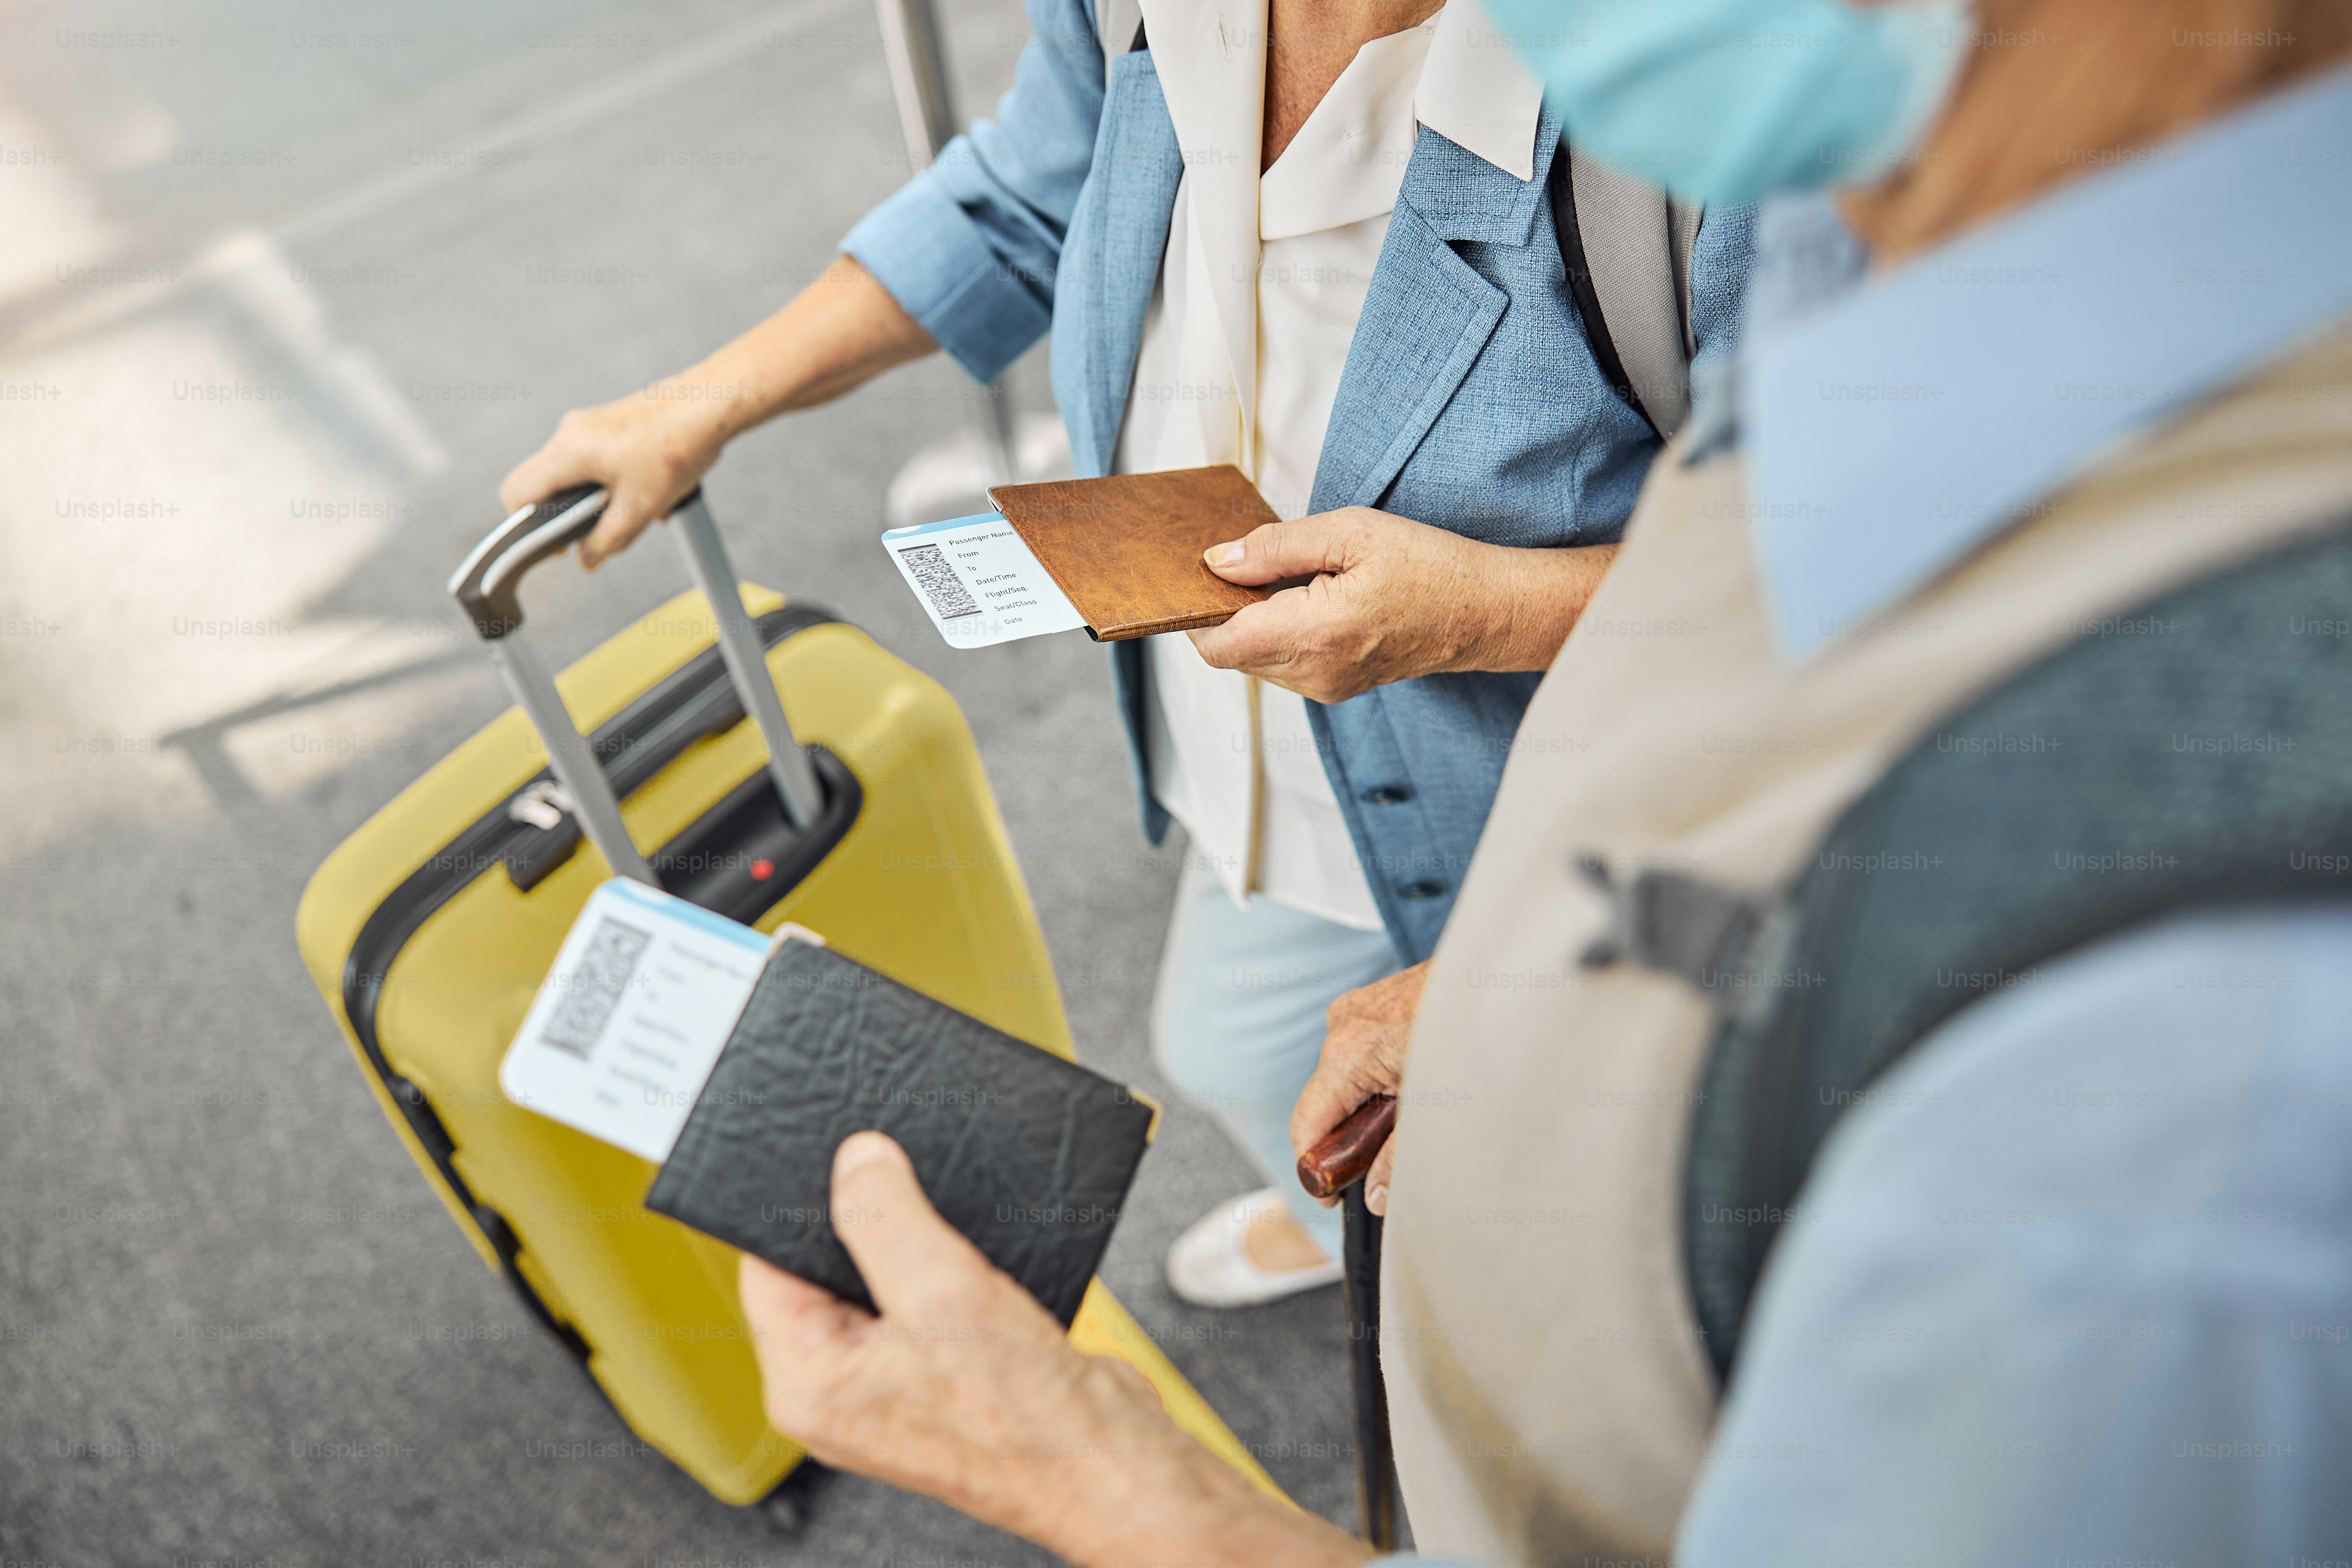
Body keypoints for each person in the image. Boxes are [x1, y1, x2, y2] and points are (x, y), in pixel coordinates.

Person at [729, 1, 2352, 1564]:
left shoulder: (2204, 1085)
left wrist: (1101, 1482)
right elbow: (1793, 679)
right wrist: (1514, 985)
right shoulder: (1943, 249)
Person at [500, 0, 1753, 1304]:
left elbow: (1856, 569)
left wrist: (1486, 608)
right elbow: (1026, 198)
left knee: (1592, 1180)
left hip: (1555, 782)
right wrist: (700, 402)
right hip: (1257, 728)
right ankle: (1370, 1245)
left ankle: (1487, 1297)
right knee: (1241, 1046)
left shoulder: (1717, 98)